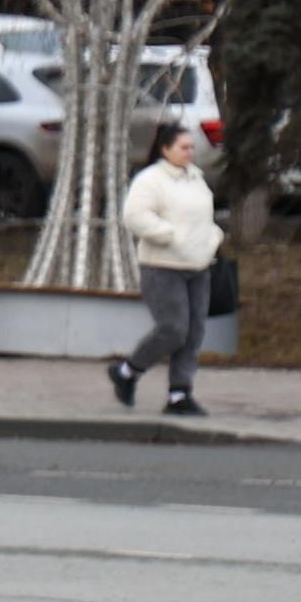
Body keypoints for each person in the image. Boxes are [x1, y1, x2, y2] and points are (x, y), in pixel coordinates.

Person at [110, 122, 220, 417]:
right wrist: (169, 235)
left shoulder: (195, 178)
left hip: (198, 266)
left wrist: (213, 238)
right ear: (165, 149)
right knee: (174, 329)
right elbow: (134, 217)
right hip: (162, 267)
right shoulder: (151, 180)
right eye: (183, 147)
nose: (189, 152)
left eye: (192, 147)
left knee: (194, 333)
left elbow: (203, 218)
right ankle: (127, 370)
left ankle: (179, 394)